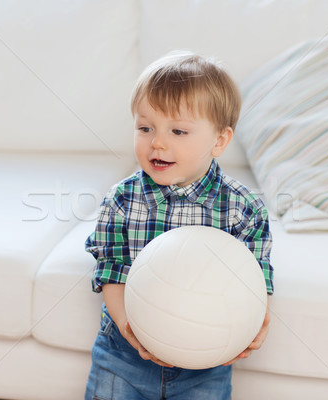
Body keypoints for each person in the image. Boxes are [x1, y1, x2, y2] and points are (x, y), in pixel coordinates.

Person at [84, 51, 274, 400]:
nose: (158, 142)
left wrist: (255, 322)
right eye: (146, 128)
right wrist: (132, 332)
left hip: (205, 363)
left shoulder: (242, 208)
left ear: (219, 140)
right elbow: (111, 271)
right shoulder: (122, 200)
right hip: (124, 354)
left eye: (178, 130)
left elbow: (255, 277)